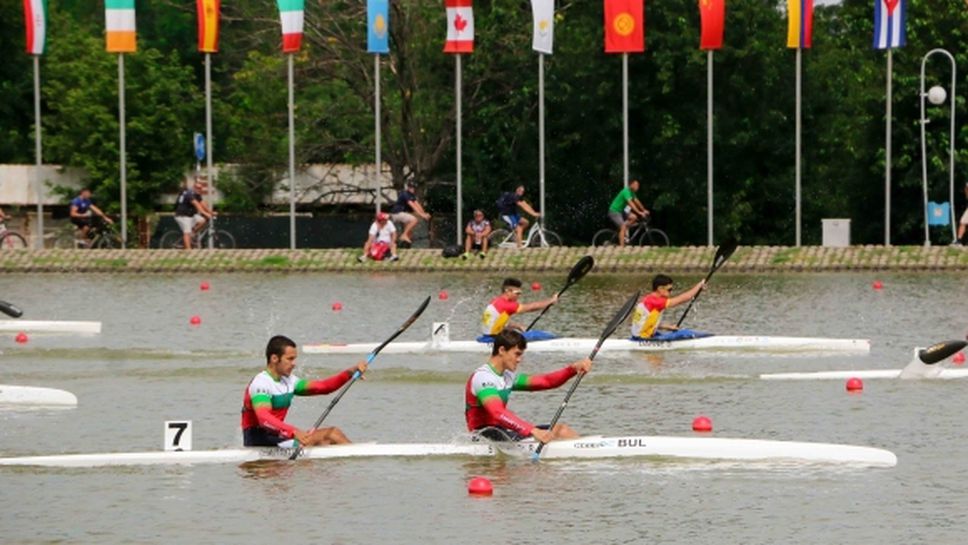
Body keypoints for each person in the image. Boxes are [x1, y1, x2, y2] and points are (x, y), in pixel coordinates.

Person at [465, 328, 592, 444]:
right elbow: (497, 412)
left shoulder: (507, 376)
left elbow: (546, 381)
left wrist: (573, 369)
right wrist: (532, 431)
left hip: (502, 431)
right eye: (517, 354)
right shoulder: (483, 377)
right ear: (502, 350)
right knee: (555, 435)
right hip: (484, 435)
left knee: (562, 430)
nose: (519, 359)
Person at [241, 335, 368, 448]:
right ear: (274, 358)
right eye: (290, 359)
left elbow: (323, 387)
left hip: (278, 436)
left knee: (332, 434)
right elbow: (264, 418)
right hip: (258, 441)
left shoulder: (289, 381)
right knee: (329, 437)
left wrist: (349, 373)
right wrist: (294, 432)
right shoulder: (261, 383)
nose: (294, 364)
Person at [630, 274, 706, 339]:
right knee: (685, 333)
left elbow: (647, 322)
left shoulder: (647, 298)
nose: (671, 292)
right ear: (660, 289)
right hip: (642, 338)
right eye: (669, 289)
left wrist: (668, 327)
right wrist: (699, 285)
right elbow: (685, 298)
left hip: (638, 336)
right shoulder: (656, 302)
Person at [481, 277, 558, 336]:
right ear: (507, 291)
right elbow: (531, 307)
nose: (519, 296)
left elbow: (499, 323)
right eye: (517, 293)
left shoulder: (495, 301)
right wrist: (551, 300)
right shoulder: (506, 305)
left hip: (490, 335)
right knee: (538, 335)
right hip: (493, 338)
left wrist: (518, 326)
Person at [173, 178, 215, 250]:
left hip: (190, 215)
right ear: (194, 187)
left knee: (202, 220)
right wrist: (206, 213)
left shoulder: (197, 194)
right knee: (187, 232)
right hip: (182, 216)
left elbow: (202, 204)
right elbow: (198, 206)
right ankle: (188, 250)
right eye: (198, 188)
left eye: (200, 188)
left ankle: (192, 234)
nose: (199, 189)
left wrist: (211, 212)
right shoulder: (189, 194)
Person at [607, 179, 650, 247]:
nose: (638, 187)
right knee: (623, 227)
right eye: (636, 185)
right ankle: (622, 247)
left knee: (634, 217)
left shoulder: (632, 193)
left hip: (622, 211)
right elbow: (631, 204)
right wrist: (639, 212)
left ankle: (623, 229)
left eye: (638, 185)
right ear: (631, 185)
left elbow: (637, 201)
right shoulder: (626, 192)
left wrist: (644, 210)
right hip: (614, 211)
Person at [389, 182, 431, 248]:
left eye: (414, 188)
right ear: (408, 187)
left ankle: (405, 245)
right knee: (414, 220)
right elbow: (413, 206)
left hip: (402, 213)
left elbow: (417, 205)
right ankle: (403, 235)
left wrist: (424, 214)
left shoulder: (412, 195)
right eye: (411, 187)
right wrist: (422, 215)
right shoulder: (405, 194)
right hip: (397, 213)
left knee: (410, 230)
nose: (413, 189)